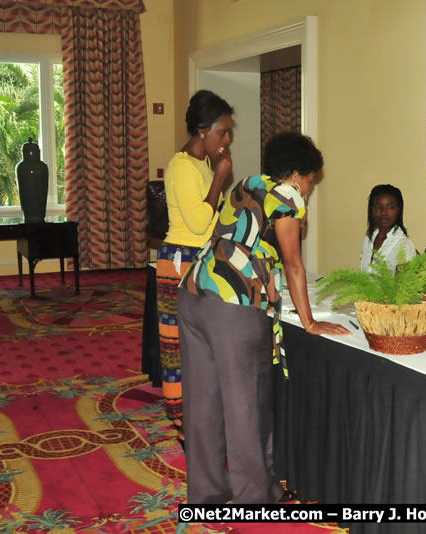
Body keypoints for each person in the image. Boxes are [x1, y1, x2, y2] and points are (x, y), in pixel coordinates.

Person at [178, 132, 350, 504]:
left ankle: (206, 493)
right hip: (232, 305)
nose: (308, 190)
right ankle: (255, 499)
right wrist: (309, 321)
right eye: (309, 182)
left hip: (194, 292)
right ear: (296, 174)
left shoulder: (248, 184)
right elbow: (293, 262)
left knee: (204, 402)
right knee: (247, 406)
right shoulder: (287, 196)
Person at [157, 90, 234, 445]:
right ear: (202, 130)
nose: (227, 139)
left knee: (202, 342)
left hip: (199, 258)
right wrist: (220, 178)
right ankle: (180, 420)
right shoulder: (181, 166)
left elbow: (215, 217)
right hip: (180, 261)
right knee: (177, 346)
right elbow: (200, 220)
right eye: (223, 131)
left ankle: (201, 413)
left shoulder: (201, 164)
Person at [359, 184, 417, 273]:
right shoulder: (369, 239)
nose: (384, 212)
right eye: (379, 207)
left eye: (391, 207)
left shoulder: (403, 245)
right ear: (372, 210)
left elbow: (404, 285)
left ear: (398, 210)